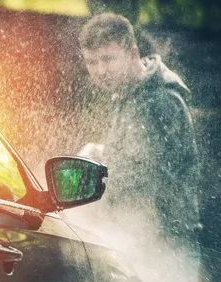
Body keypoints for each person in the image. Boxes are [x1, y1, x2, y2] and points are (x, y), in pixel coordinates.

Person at [78, 12, 201, 255]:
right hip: (142, 241)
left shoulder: (160, 101)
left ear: (133, 53)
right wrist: (99, 152)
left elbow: (148, 178)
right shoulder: (127, 93)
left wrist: (94, 171)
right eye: (92, 62)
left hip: (166, 249)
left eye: (108, 59)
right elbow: (137, 155)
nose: (100, 70)